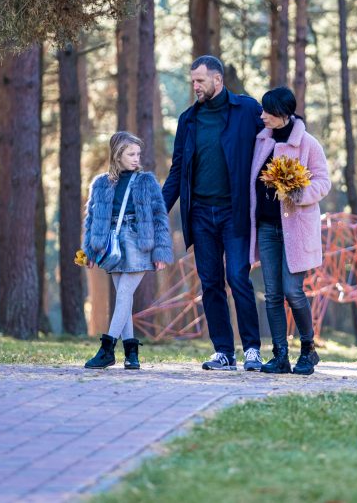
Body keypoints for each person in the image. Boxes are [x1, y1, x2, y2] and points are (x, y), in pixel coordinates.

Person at [161, 55, 265, 371]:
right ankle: (223, 351)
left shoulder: (246, 110)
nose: (195, 86)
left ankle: (252, 350)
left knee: (237, 276)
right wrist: (158, 212)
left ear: (217, 80)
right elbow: (178, 169)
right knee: (210, 283)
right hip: (201, 215)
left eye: (200, 81)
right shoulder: (189, 120)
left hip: (235, 212)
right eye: (193, 81)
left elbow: (275, 135)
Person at [249, 87, 331, 375]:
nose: (262, 116)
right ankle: (280, 355)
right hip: (267, 228)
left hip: (296, 229)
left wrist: (299, 191)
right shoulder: (262, 141)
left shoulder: (308, 144)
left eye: (267, 112)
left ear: (283, 114)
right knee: (272, 294)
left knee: (292, 291)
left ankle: (308, 350)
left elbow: (323, 182)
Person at [83, 131, 173, 369]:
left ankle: (107, 348)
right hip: (111, 243)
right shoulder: (101, 183)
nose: (136, 158)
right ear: (117, 155)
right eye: (130, 154)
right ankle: (131, 354)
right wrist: (89, 252)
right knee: (125, 299)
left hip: (138, 240)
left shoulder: (147, 182)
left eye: (138, 154)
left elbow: (159, 218)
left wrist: (160, 252)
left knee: (123, 295)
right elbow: (91, 219)